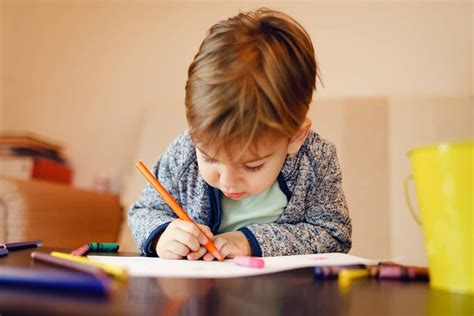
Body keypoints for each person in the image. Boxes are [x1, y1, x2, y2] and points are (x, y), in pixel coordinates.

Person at [129, 8, 351, 260]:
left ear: (295, 138)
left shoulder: (315, 161)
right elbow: (144, 211)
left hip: (287, 296)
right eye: (210, 158)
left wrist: (249, 241)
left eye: (252, 166)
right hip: (200, 296)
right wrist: (162, 235)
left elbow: (335, 235)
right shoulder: (185, 152)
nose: (228, 182)